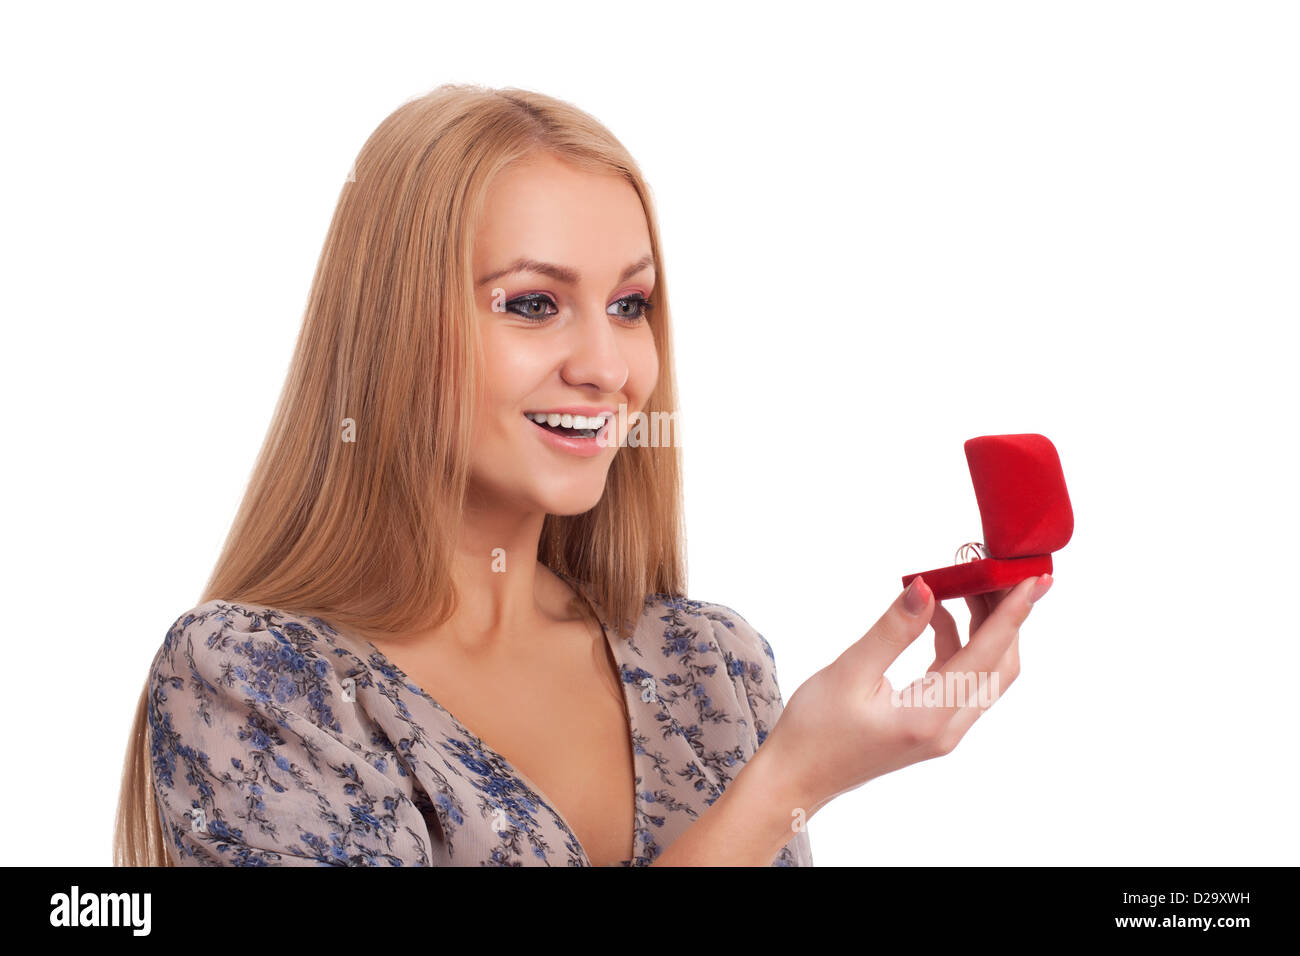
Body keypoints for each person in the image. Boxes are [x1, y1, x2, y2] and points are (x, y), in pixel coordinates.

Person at [113, 83, 1052, 867]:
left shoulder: (712, 671)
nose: (609, 367)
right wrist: (790, 784)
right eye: (533, 303)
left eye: (629, 303)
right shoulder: (257, 681)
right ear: (393, 330)